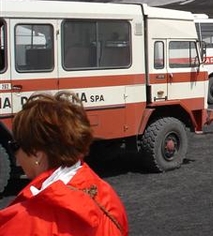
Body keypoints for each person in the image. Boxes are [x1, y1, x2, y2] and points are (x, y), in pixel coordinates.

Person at [0, 91, 128, 235]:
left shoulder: (23, 222)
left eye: (15, 146)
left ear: (37, 153)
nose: (16, 157)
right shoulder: (109, 197)